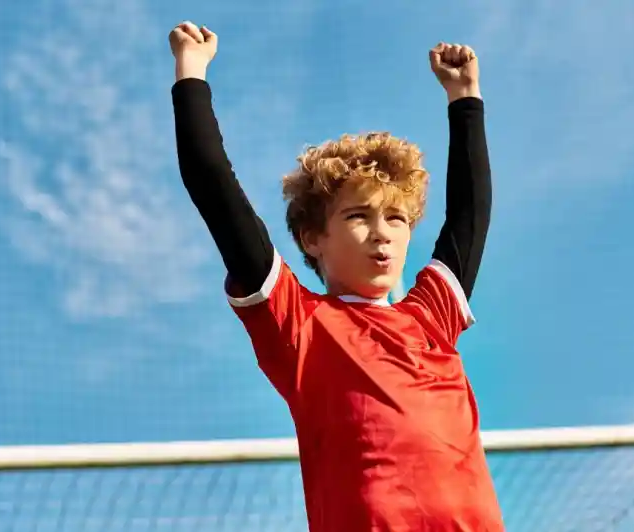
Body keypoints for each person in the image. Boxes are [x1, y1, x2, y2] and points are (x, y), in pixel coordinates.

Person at [169, 20, 505, 532]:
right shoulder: (298, 324)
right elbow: (215, 188)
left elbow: (469, 213)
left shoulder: (431, 318)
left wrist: (465, 98)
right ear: (312, 238)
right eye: (357, 217)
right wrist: (191, 72)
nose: (382, 233)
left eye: (396, 218)